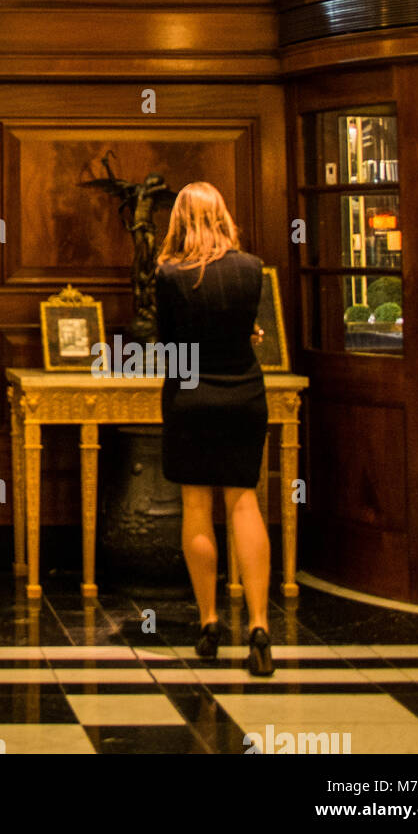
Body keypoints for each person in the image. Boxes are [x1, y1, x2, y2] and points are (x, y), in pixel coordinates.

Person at [155, 181, 274, 677]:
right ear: (222, 215)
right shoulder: (252, 269)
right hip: (245, 393)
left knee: (197, 507)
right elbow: (245, 329)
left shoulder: (168, 275)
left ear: (179, 221)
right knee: (244, 502)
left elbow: (168, 343)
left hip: (191, 396)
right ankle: (260, 626)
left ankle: (208, 622)